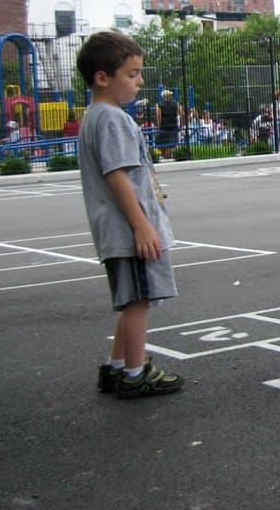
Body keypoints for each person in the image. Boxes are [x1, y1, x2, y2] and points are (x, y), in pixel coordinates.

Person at [75, 31, 183, 399]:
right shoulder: (112, 119)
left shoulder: (96, 116)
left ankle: (117, 365)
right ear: (103, 78)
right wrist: (142, 226)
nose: (140, 82)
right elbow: (116, 174)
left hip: (117, 230)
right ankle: (135, 373)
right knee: (138, 302)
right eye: (132, 74)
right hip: (127, 230)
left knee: (132, 297)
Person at [155, 90, 179, 159]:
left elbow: (158, 116)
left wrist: (158, 125)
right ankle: (167, 157)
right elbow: (182, 113)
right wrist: (181, 124)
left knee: (160, 143)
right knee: (169, 145)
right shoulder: (176, 104)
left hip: (163, 127)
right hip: (173, 126)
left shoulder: (159, 105)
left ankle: (166, 157)